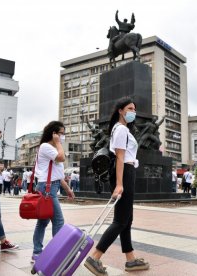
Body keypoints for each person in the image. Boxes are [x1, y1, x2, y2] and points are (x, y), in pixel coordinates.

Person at [84, 98, 149, 276]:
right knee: (120, 221)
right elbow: (120, 157)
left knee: (126, 220)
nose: (133, 112)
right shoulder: (120, 129)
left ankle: (130, 259)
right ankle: (95, 257)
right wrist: (119, 184)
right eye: (129, 108)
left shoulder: (122, 129)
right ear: (120, 110)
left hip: (128, 173)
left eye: (134, 109)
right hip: (125, 174)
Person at [32, 121, 75, 262]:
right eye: (61, 133)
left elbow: (57, 174)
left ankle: (37, 252)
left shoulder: (52, 148)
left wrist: (68, 189)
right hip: (46, 188)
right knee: (58, 221)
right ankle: (57, 253)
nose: (62, 136)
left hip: (50, 186)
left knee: (43, 222)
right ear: (53, 133)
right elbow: (61, 157)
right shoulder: (45, 146)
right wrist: (58, 143)